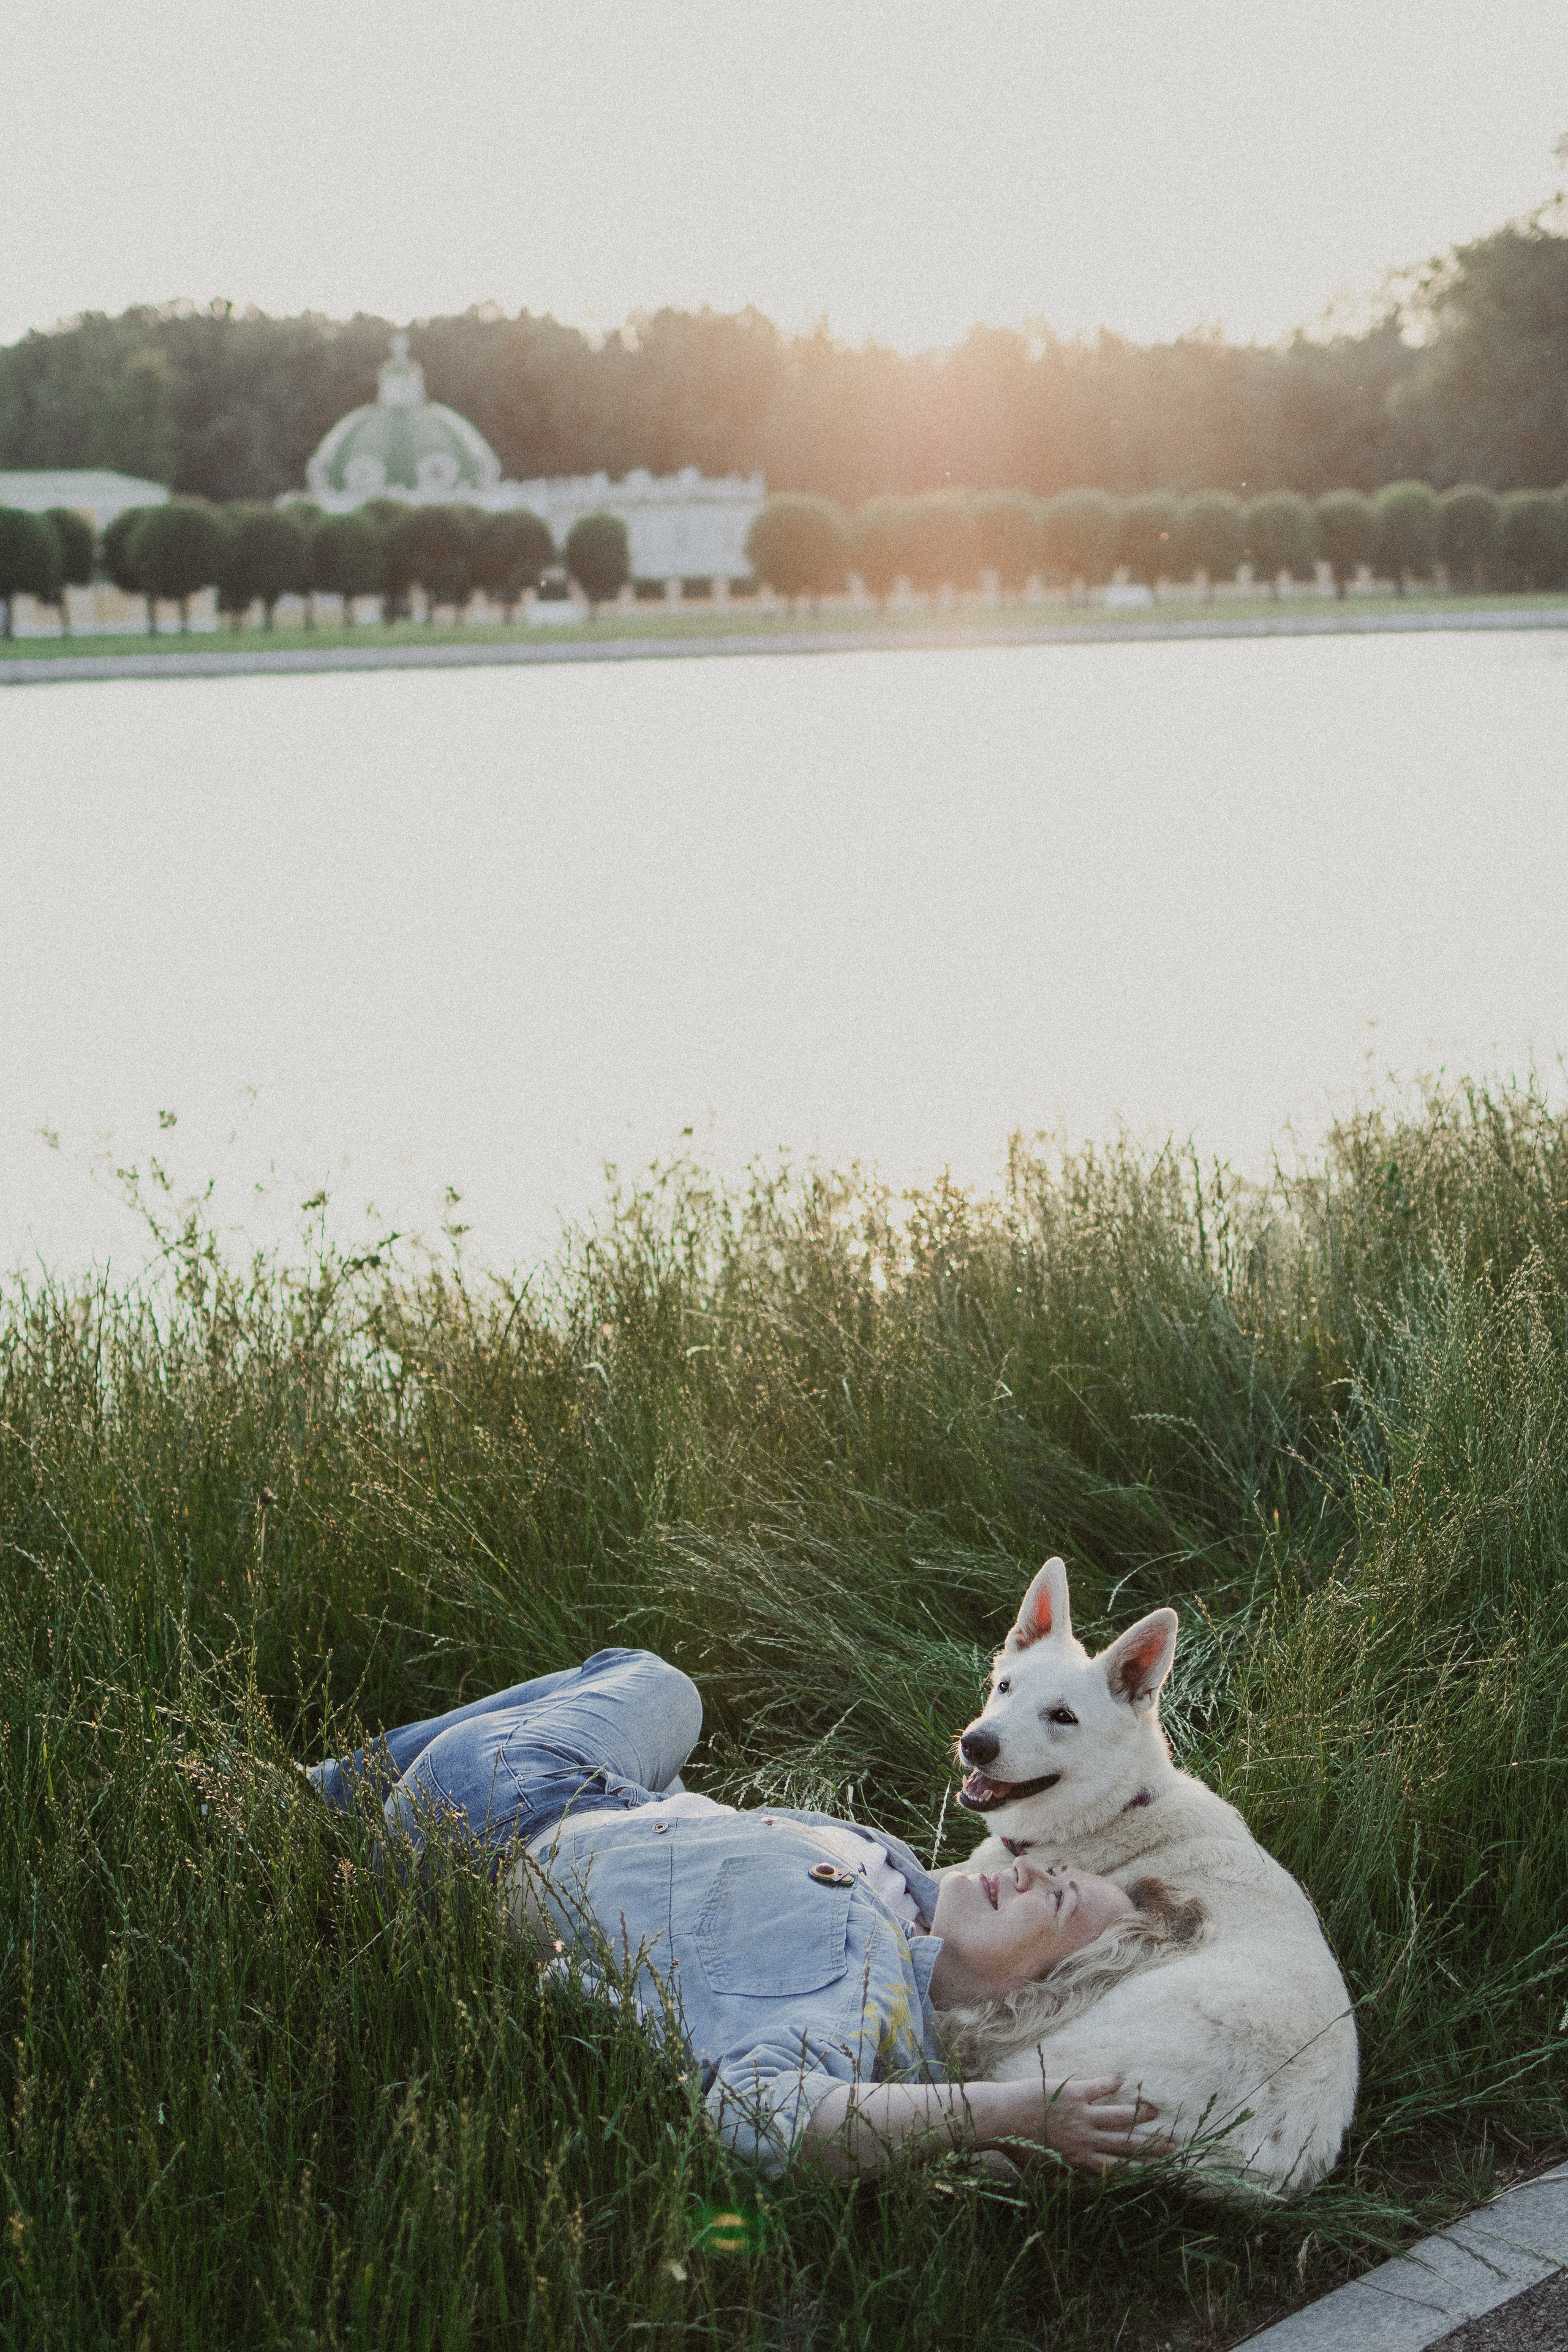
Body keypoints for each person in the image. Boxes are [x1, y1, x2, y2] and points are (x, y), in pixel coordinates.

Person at [308, 1648, 1177, 2180]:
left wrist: (1020, 2110)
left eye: (1056, 1900)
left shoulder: (850, 1962)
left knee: (655, 1683)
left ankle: (330, 1792)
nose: (1025, 1875)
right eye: (1049, 1869)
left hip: (502, 1812)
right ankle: (340, 1796)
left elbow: (763, 2117)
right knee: (659, 1726)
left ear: (1018, 1997)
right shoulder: (892, 1913)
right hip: (601, 1819)